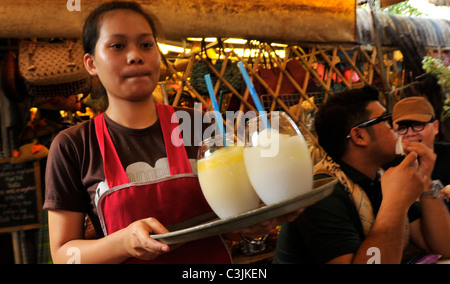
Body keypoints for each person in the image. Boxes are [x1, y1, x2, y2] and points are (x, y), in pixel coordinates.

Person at [43, 1, 299, 264]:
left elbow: (227, 223)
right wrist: (125, 242)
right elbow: (64, 255)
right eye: (117, 46)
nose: (135, 56)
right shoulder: (73, 145)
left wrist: (253, 227)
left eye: (145, 44)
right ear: (91, 63)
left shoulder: (201, 126)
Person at [273, 86, 450, 264]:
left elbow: (444, 247)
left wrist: (425, 179)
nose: (395, 127)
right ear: (359, 136)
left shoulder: (378, 179)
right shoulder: (321, 194)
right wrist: (395, 203)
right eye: (385, 120)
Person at [393, 96, 450, 209]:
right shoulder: (391, 169)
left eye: (418, 125)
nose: (410, 133)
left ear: (435, 127)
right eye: (403, 128)